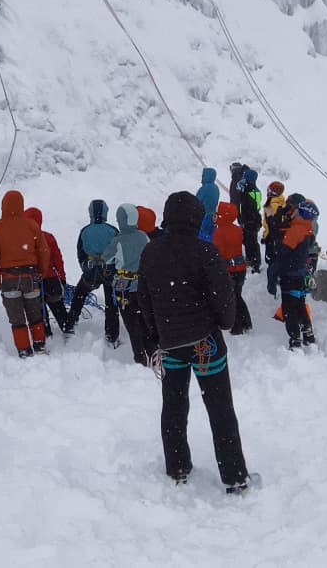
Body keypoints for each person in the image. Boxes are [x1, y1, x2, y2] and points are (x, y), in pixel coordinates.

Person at [136, 191, 251, 494]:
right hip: (205, 344)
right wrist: (225, 323)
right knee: (220, 409)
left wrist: (155, 335)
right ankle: (234, 476)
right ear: (196, 217)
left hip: (171, 343)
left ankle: (177, 467)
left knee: (174, 406)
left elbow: (144, 300)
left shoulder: (151, 252)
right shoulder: (205, 252)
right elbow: (224, 298)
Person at [0, 191, 50, 357]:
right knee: (35, 314)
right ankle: (40, 345)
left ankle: (24, 350)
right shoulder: (31, 225)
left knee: (17, 318)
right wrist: (41, 271)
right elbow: (44, 251)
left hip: (9, 278)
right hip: (31, 277)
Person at [105, 203, 155, 364]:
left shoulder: (117, 241)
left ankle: (140, 358)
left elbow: (106, 258)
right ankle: (153, 353)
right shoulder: (143, 236)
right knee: (145, 321)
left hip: (123, 288)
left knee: (132, 324)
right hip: (142, 286)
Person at [70, 199, 121, 346]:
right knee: (111, 303)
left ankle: (70, 325)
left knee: (79, 295)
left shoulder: (85, 231)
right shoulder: (112, 230)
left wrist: (86, 269)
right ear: (105, 212)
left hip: (91, 272)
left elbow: (80, 253)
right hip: (109, 272)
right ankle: (112, 335)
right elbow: (118, 253)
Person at [275, 194, 317, 349]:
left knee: (289, 308)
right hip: (300, 273)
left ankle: (295, 339)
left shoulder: (296, 230)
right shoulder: (307, 229)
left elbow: (284, 251)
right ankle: (308, 333)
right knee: (300, 304)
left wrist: (280, 241)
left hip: (290, 273)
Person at [25, 207, 71, 338]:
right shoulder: (48, 237)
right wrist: (62, 278)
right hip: (51, 280)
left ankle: (45, 334)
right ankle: (68, 330)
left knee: (38, 311)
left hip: (33, 281)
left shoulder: (24, 241)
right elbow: (58, 260)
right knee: (58, 306)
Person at [213, 202, 253, 333]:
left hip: (229, 269)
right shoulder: (237, 230)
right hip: (240, 268)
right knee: (237, 295)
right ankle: (246, 322)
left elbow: (219, 253)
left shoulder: (219, 233)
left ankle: (237, 326)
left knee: (231, 298)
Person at [263, 193, 296, 296]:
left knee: (273, 266)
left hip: (280, 243)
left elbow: (271, 223)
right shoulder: (288, 211)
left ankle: (272, 291)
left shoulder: (291, 216)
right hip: (282, 243)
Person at [235, 168, 263, 273]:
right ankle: (252, 260)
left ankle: (254, 262)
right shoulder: (256, 191)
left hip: (250, 221)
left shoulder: (248, 192)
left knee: (251, 241)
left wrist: (244, 221)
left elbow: (248, 208)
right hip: (253, 220)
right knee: (249, 241)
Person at [196, 167, 220, 242]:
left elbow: (197, 201)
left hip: (204, 215)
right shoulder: (216, 187)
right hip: (213, 215)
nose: (202, 177)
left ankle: (203, 250)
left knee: (202, 234)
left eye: (203, 176)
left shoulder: (204, 188)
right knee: (211, 233)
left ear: (207, 176)